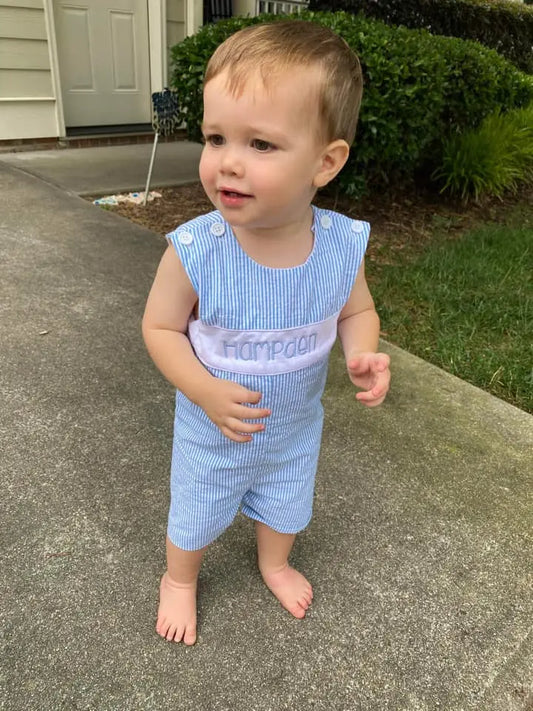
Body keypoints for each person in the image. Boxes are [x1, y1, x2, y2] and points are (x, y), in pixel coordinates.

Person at [142, 19, 391, 646]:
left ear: (325, 163)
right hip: (213, 429)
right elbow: (160, 328)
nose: (227, 161)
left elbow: (355, 311)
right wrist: (202, 389)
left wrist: (363, 352)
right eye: (216, 137)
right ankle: (179, 579)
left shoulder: (338, 248)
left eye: (261, 145)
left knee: (287, 504)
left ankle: (274, 562)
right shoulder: (198, 249)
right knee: (195, 510)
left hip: (292, 430)